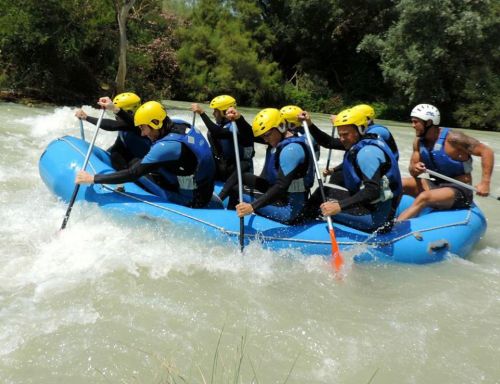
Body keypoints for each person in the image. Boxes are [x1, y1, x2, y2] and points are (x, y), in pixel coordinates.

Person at [76, 101, 216, 208]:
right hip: (200, 184)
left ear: (155, 123)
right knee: (140, 161)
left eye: (144, 128)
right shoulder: (179, 124)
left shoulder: (166, 147)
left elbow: (133, 173)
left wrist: (93, 178)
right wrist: (116, 109)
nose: (142, 133)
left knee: (134, 165)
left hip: (192, 199)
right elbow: (133, 127)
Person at [299, 108, 402, 233]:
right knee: (327, 188)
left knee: (321, 195)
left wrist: (339, 206)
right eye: (340, 134)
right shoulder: (362, 141)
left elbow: (372, 191)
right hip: (378, 208)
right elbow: (328, 142)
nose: (342, 139)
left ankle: (301, 228)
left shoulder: (367, 153)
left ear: (360, 130)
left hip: (375, 219)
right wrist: (309, 124)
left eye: (345, 134)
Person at [397, 104, 494, 221]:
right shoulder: (418, 142)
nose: (413, 126)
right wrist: (415, 168)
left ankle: (395, 229)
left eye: (415, 122)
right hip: (432, 184)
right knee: (398, 183)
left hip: (459, 189)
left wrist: (485, 183)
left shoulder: (454, 139)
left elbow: (486, 151)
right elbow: (413, 171)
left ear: (428, 122)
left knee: (424, 197)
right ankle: (380, 219)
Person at [233, 108, 315, 224]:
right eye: (263, 137)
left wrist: (252, 206)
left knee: (238, 190)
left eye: (267, 135)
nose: (265, 140)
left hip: (289, 211)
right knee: (242, 178)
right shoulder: (281, 137)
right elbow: (250, 135)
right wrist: (238, 118)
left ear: (281, 126)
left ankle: (231, 219)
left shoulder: (291, 150)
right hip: (283, 198)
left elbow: (281, 186)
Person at [191, 95, 254, 200]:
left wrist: (202, 113)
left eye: (215, 111)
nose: (213, 114)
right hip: (223, 166)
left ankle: (220, 197)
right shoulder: (220, 125)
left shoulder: (236, 127)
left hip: (237, 171)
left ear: (223, 112)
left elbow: (218, 133)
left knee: (242, 165)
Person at [75, 93, 151, 170]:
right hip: (128, 157)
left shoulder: (141, 125)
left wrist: (87, 118)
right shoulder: (125, 127)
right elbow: (118, 145)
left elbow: (113, 125)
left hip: (145, 166)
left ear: (130, 112)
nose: (116, 117)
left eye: (118, 114)